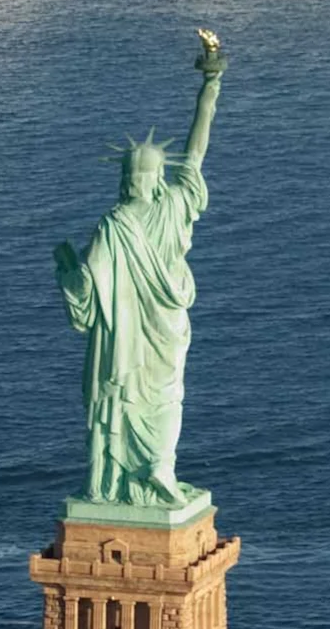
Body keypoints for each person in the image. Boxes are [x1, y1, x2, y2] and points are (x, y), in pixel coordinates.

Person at [53, 33, 226, 505]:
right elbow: (196, 153)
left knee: (124, 400)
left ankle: (118, 479)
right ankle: (157, 470)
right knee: (168, 399)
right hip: (167, 330)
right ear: (156, 179)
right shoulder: (173, 205)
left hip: (126, 342)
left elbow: (87, 293)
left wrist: (67, 272)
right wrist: (209, 87)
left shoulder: (115, 224)